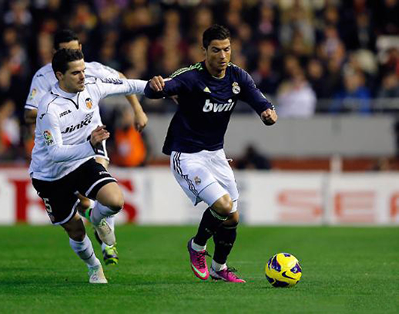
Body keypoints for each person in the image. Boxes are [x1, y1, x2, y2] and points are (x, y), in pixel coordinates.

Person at [144, 25, 278, 283]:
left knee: (232, 217)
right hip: (187, 154)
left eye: (227, 49)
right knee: (223, 205)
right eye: (215, 50)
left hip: (215, 154)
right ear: (203, 50)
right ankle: (196, 247)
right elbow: (157, 90)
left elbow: (260, 100)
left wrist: (267, 113)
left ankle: (219, 267)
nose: (222, 55)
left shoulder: (238, 77)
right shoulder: (191, 77)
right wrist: (155, 86)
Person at [29, 48, 160, 283]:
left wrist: (159, 85)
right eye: (76, 73)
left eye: (83, 71)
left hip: (81, 162)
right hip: (50, 175)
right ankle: (94, 266)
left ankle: (98, 219)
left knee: (115, 201)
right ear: (60, 75)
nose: (82, 76)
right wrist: (90, 145)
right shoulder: (49, 109)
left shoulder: (92, 86)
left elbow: (127, 85)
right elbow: (56, 153)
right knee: (76, 231)